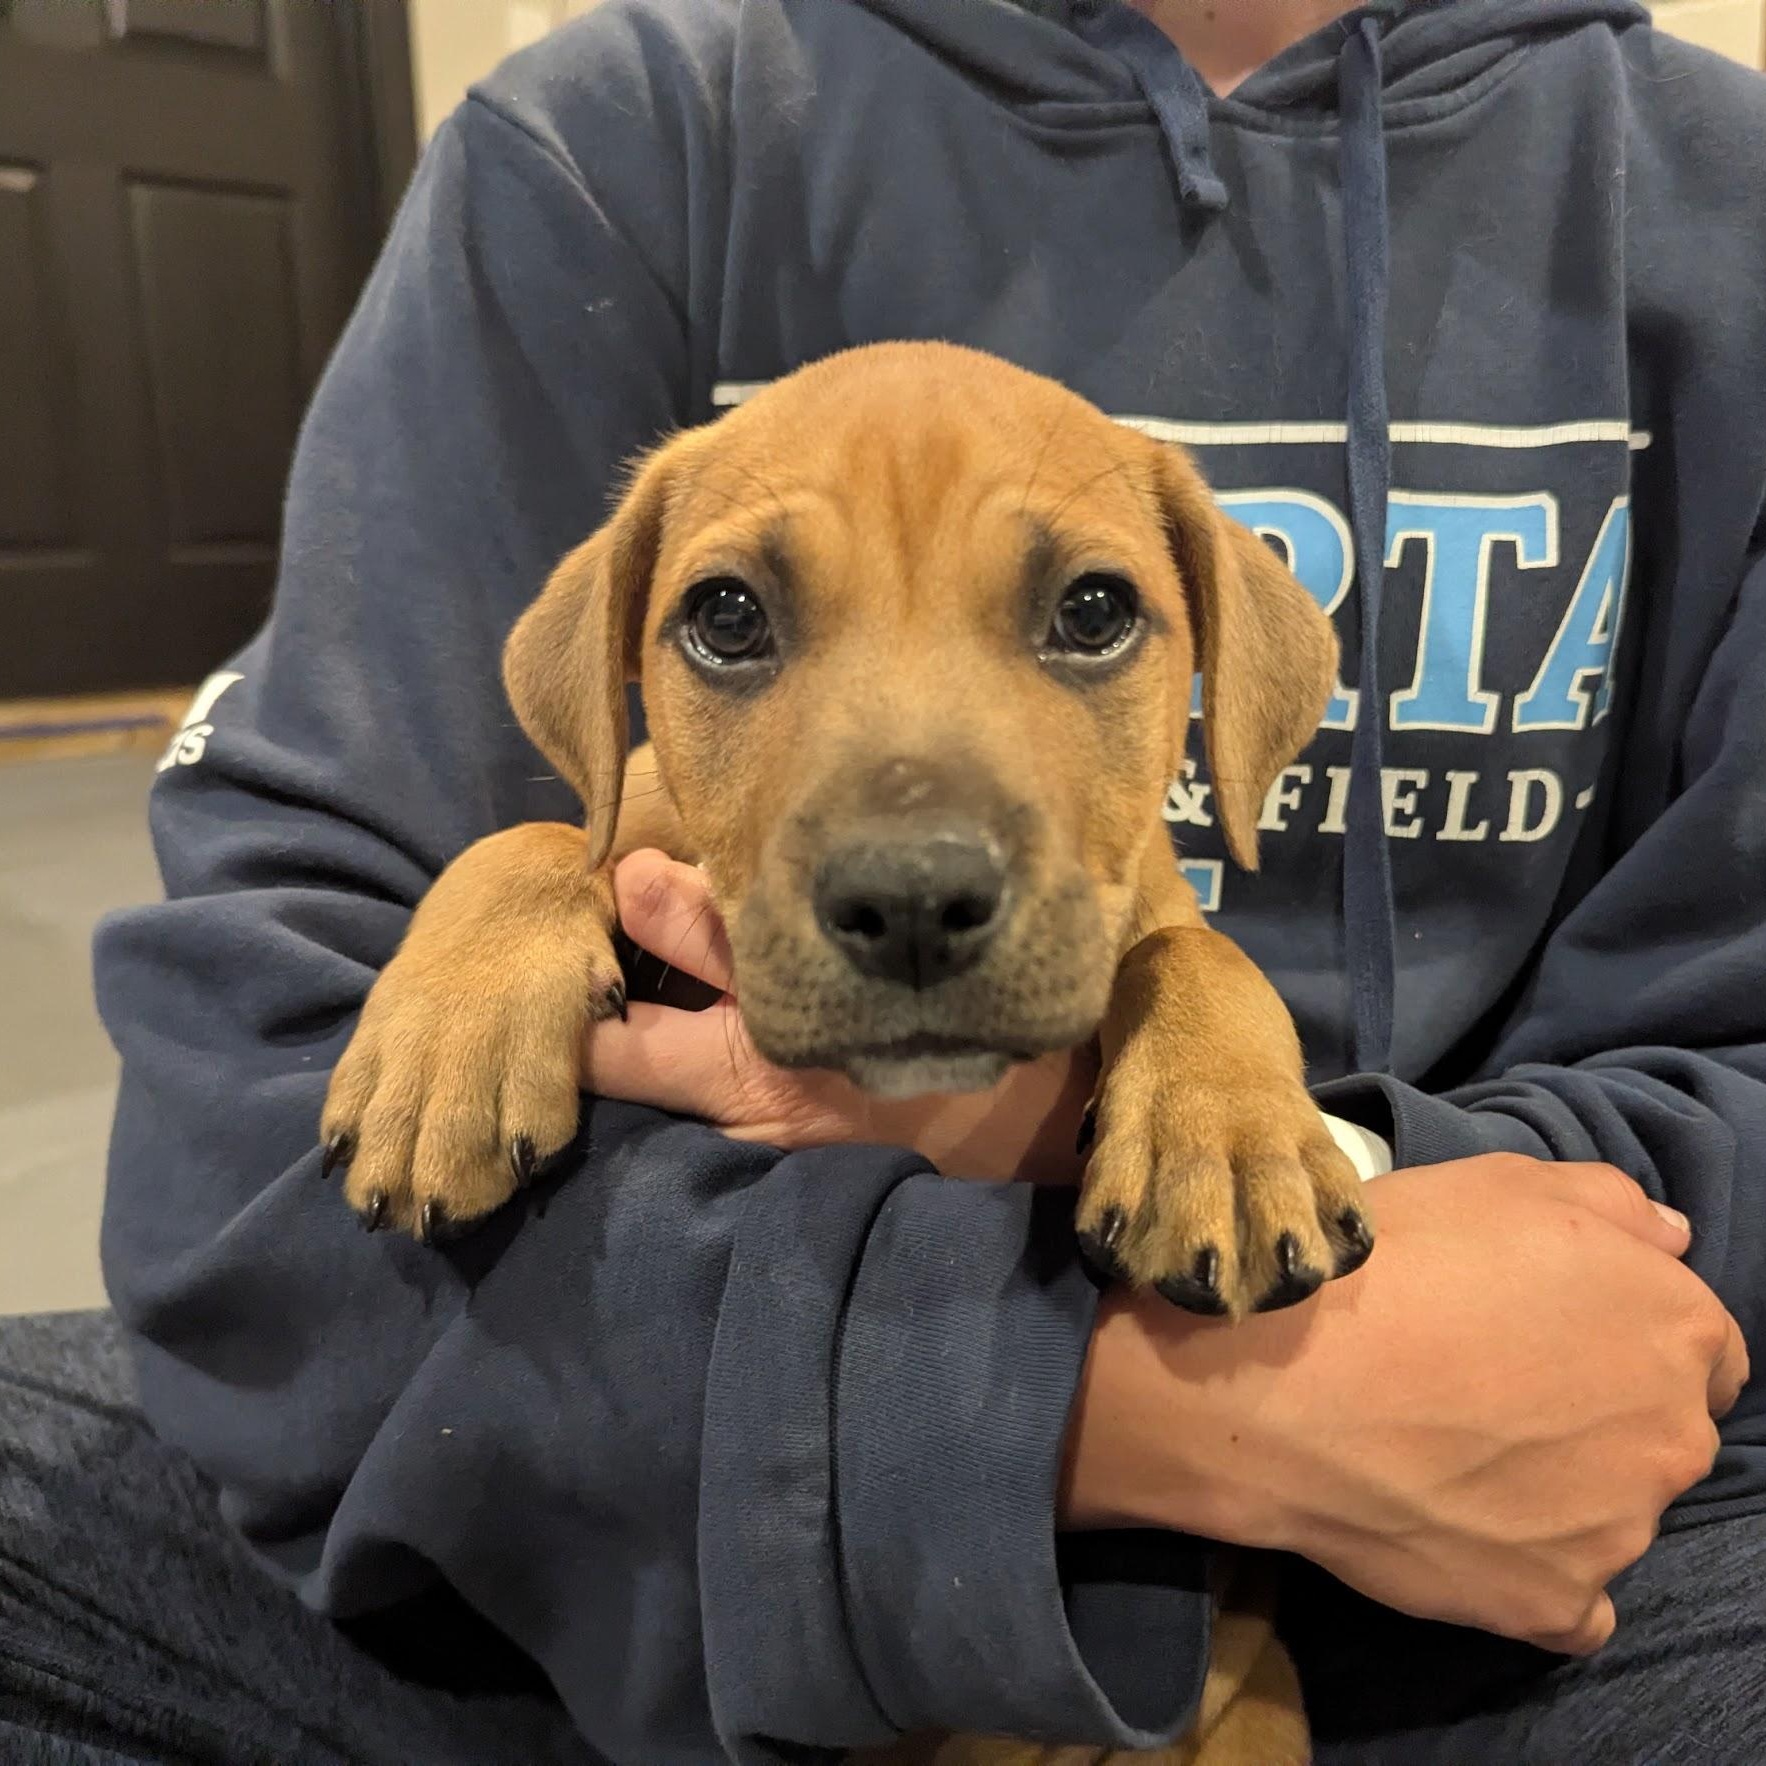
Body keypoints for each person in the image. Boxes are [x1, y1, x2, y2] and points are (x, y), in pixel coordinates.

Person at [2, 0, 1759, 1759]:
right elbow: (243, 1146)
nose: (913, 861)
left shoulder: (1712, 196)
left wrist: (1340, 1173)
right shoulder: (622, 137)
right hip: (697, 1474)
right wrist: (1104, 1406)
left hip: (1506, 1483)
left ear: (1229, 679)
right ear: (612, 665)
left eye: (1084, 614)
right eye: (734, 619)